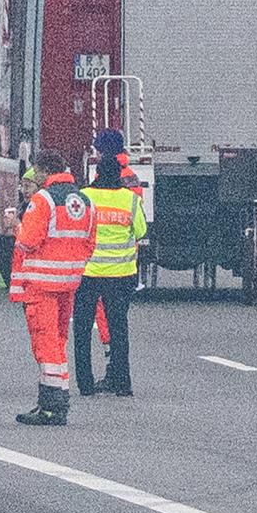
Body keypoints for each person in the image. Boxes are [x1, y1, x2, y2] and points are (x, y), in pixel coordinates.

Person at [10, 149, 96, 426]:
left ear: (44, 170)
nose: (34, 176)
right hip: (70, 282)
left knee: (45, 345)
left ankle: (52, 405)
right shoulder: (85, 200)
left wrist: (17, 227)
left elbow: (28, 242)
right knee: (58, 342)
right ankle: (55, 402)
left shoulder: (43, 199)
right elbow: (90, 243)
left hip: (42, 283)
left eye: (36, 171)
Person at [74, 155, 147, 397]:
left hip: (88, 273)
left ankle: (85, 384)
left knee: (83, 330)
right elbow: (141, 231)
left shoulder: (85, 196)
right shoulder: (130, 199)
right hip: (121, 274)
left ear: (96, 174)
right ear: (119, 175)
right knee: (119, 329)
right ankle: (122, 383)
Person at [89, 129, 144, 387]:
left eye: (97, 150)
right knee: (119, 321)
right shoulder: (130, 177)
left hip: (100, 265)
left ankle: (113, 370)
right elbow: (139, 226)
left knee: (106, 322)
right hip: (125, 262)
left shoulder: (104, 177)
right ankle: (119, 374)